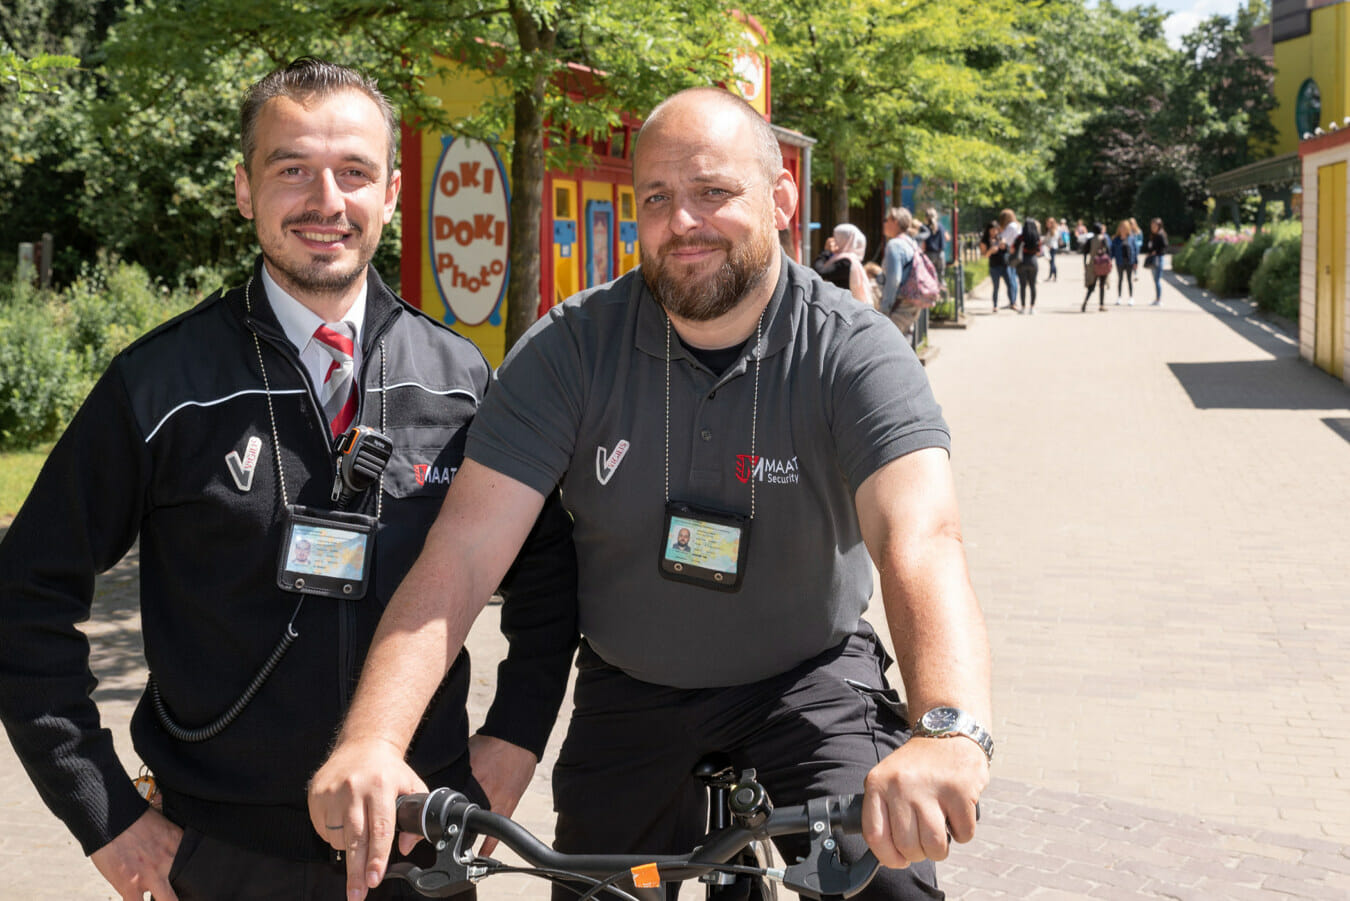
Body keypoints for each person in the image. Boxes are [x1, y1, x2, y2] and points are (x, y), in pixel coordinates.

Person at [308, 86, 992, 901]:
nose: (682, 222)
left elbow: (922, 538)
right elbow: (460, 555)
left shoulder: (855, 351)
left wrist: (946, 728)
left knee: (888, 890)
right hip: (632, 684)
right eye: (658, 199)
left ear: (781, 200)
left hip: (806, 675)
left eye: (713, 192)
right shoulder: (568, 350)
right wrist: (375, 739)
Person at [0, 57, 577, 901]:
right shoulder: (159, 386)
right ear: (243, 189)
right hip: (215, 858)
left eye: (353, 172)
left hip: (418, 852)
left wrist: (513, 744)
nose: (326, 201)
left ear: (391, 194)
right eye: (292, 169)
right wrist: (106, 814)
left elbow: (551, 583)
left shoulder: (462, 382)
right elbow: (25, 597)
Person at [881, 206, 924, 334]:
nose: (884, 223)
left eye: (887, 220)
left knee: (890, 347)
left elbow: (894, 279)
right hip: (912, 301)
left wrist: (885, 308)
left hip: (898, 305)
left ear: (895, 222)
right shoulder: (910, 242)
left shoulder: (894, 245)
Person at [812, 223, 872, 305]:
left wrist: (826, 252)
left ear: (844, 240)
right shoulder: (848, 259)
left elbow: (819, 271)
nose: (834, 241)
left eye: (836, 238)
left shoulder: (846, 262)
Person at [980, 220, 1012, 313]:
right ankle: (995, 305)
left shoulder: (1001, 238)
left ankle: (1012, 302)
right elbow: (984, 255)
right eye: (993, 230)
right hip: (994, 266)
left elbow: (1009, 250)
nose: (995, 232)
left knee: (1009, 284)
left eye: (996, 230)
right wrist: (990, 251)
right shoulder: (984, 241)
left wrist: (1005, 246)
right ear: (989, 230)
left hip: (1005, 265)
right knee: (996, 286)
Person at [1012, 216, 1042, 313]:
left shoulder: (1020, 237)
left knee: (1023, 285)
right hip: (1033, 261)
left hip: (1021, 262)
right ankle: (1032, 307)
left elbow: (1012, 249)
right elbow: (1039, 252)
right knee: (1032, 285)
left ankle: (1023, 307)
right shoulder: (1036, 237)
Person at [1082, 222, 1111, 312]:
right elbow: (1108, 251)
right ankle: (1101, 305)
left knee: (1091, 286)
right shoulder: (1103, 239)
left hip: (1092, 264)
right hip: (1102, 264)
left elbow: (1085, 253)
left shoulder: (1090, 240)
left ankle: (1085, 302)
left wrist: (1085, 264)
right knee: (1102, 285)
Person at [996, 209, 1021, 308]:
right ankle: (1013, 300)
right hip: (1017, 253)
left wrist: (999, 232)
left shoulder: (1010, 226)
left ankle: (1012, 301)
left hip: (1009, 253)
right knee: (1014, 278)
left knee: (1010, 279)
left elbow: (1002, 238)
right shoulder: (1018, 225)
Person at [1110, 220, 1137, 305]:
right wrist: (1109, 260)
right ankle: (1119, 297)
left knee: (1129, 280)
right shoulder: (1116, 239)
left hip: (1129, 262)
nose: (1123, 229)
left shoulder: (1131, 238)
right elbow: (1112, 251)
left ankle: (1131, 297)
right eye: (1121, 227)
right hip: (1119, 262)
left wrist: (1136, 262)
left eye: (1124, 227)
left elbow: (1135, 250)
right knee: (1120, 279)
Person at [922, 207, 948, 294]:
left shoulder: (924, 228)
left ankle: (931, 294)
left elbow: (923, 244)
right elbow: (946, 238)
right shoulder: (940, 226)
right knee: (941, 276)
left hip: (929, 254)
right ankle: (943, 296)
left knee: (930, 276)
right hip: (940, 254)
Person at [1143, 217, 1168, 305]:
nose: (1153, 227)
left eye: (1155, 225)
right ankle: (1157, 298)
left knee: (1157, 280)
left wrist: (1155, 252)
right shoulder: (1153, 235)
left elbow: (1165, 247)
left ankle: (1159, 299)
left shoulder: (1161, 235)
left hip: (1158, 259)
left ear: (1159, 226)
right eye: (1152, 225)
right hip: (1154, 259)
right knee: (1155, 280)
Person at [1043, 216, 1061, 282]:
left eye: (1048, 223)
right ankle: (1052, 276)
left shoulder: (1051, 230)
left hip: (1051, 247)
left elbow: (1048, 240)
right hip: (1054, 247)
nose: (1047, 224)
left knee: (1052, 263)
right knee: (1051, 262)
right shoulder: (1056, 229)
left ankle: (1054, 276)